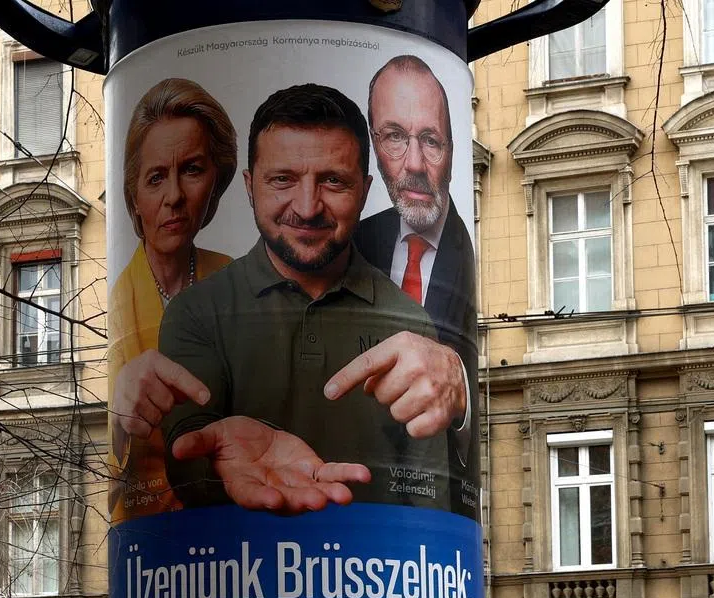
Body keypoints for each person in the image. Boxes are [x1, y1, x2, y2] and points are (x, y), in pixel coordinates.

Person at [160, 83, 470, 514]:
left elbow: (430, 502)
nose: (307, 208)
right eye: (283, 179)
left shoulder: (410, 325)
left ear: (364, 191)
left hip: (372, 577)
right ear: (250, 187)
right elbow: (183, 461)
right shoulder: (193, 313)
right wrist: (216, 462)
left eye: (333, 182)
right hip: (237, 573)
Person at [108, 78, 237, 522]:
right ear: (134, 195)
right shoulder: (116, 302)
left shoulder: (238, 280)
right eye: (156, 177)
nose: (175, 197)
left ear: (216, 181)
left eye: (193, 170)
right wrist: (118, 413)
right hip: (156, 555)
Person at [357, 55, 480, 505]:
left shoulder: (467, 251)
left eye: (430, 141)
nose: (412, 163)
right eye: (394, 137)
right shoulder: (355, 241)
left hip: (437, 506)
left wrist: (460, 390)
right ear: (373, 142)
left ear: (451, 150)